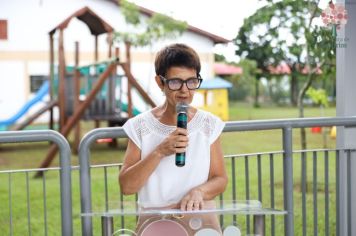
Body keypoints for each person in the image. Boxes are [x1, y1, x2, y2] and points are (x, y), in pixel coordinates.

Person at [119, 43, 228, 213]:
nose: (185, 90)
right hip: (155, 222)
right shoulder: (140, 126)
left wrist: (199, 192)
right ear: (160, 82)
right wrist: (159, 152)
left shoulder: (209, 124)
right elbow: (126, 186)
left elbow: (220, 178)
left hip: (199, 220)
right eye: (176, 82)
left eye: (192, 81)